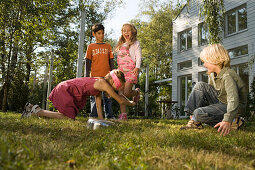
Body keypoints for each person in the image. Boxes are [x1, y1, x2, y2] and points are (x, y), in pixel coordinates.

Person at [180, 43, 247, 136]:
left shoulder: (228, 75)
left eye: (205, 61)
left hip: (234, 107)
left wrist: (227, 119)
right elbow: (208, 94)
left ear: (214, 60)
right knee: (199, 85)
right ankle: (195, 121)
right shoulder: (212, 74)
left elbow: (233, 100)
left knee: (199, 113)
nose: (204, 65)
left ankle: (234, 120)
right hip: (221, 101)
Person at [21, 70, 136, 120]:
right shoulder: (103, 84)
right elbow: (120, 100)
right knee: (67, 118)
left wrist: (101, 121)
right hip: (66, 90)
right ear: (113, 81)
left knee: (66, 116)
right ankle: (36, 112)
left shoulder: (101, 83)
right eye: (119, 85)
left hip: (67, 88)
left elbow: (98, 105)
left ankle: (31, 108)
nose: (118, 88)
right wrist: (131, 103)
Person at [84, 23, 115, 119]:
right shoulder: (90, 47)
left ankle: (109, 116)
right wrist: (86, 75)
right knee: (94, 97)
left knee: (108, 97)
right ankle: (93, 115)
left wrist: (113, 74)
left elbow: (111, 61)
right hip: (94, 76)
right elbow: (87, 61)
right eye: (99, 33)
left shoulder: (108, 46)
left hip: (107, 77)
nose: (101, 35)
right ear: (94, 34)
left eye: (102, 33)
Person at [115, 23, 142, 120]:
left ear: (133, 32)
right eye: (124, 31)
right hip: (121, 72)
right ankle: (123, 114)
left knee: (126, 92)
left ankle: (136, 93)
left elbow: (138, 56)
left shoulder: (135, 43)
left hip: (131, 71)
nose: (126, 32)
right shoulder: (121, 45)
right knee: (120, 93)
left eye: (128, 30)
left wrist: (137, 67)